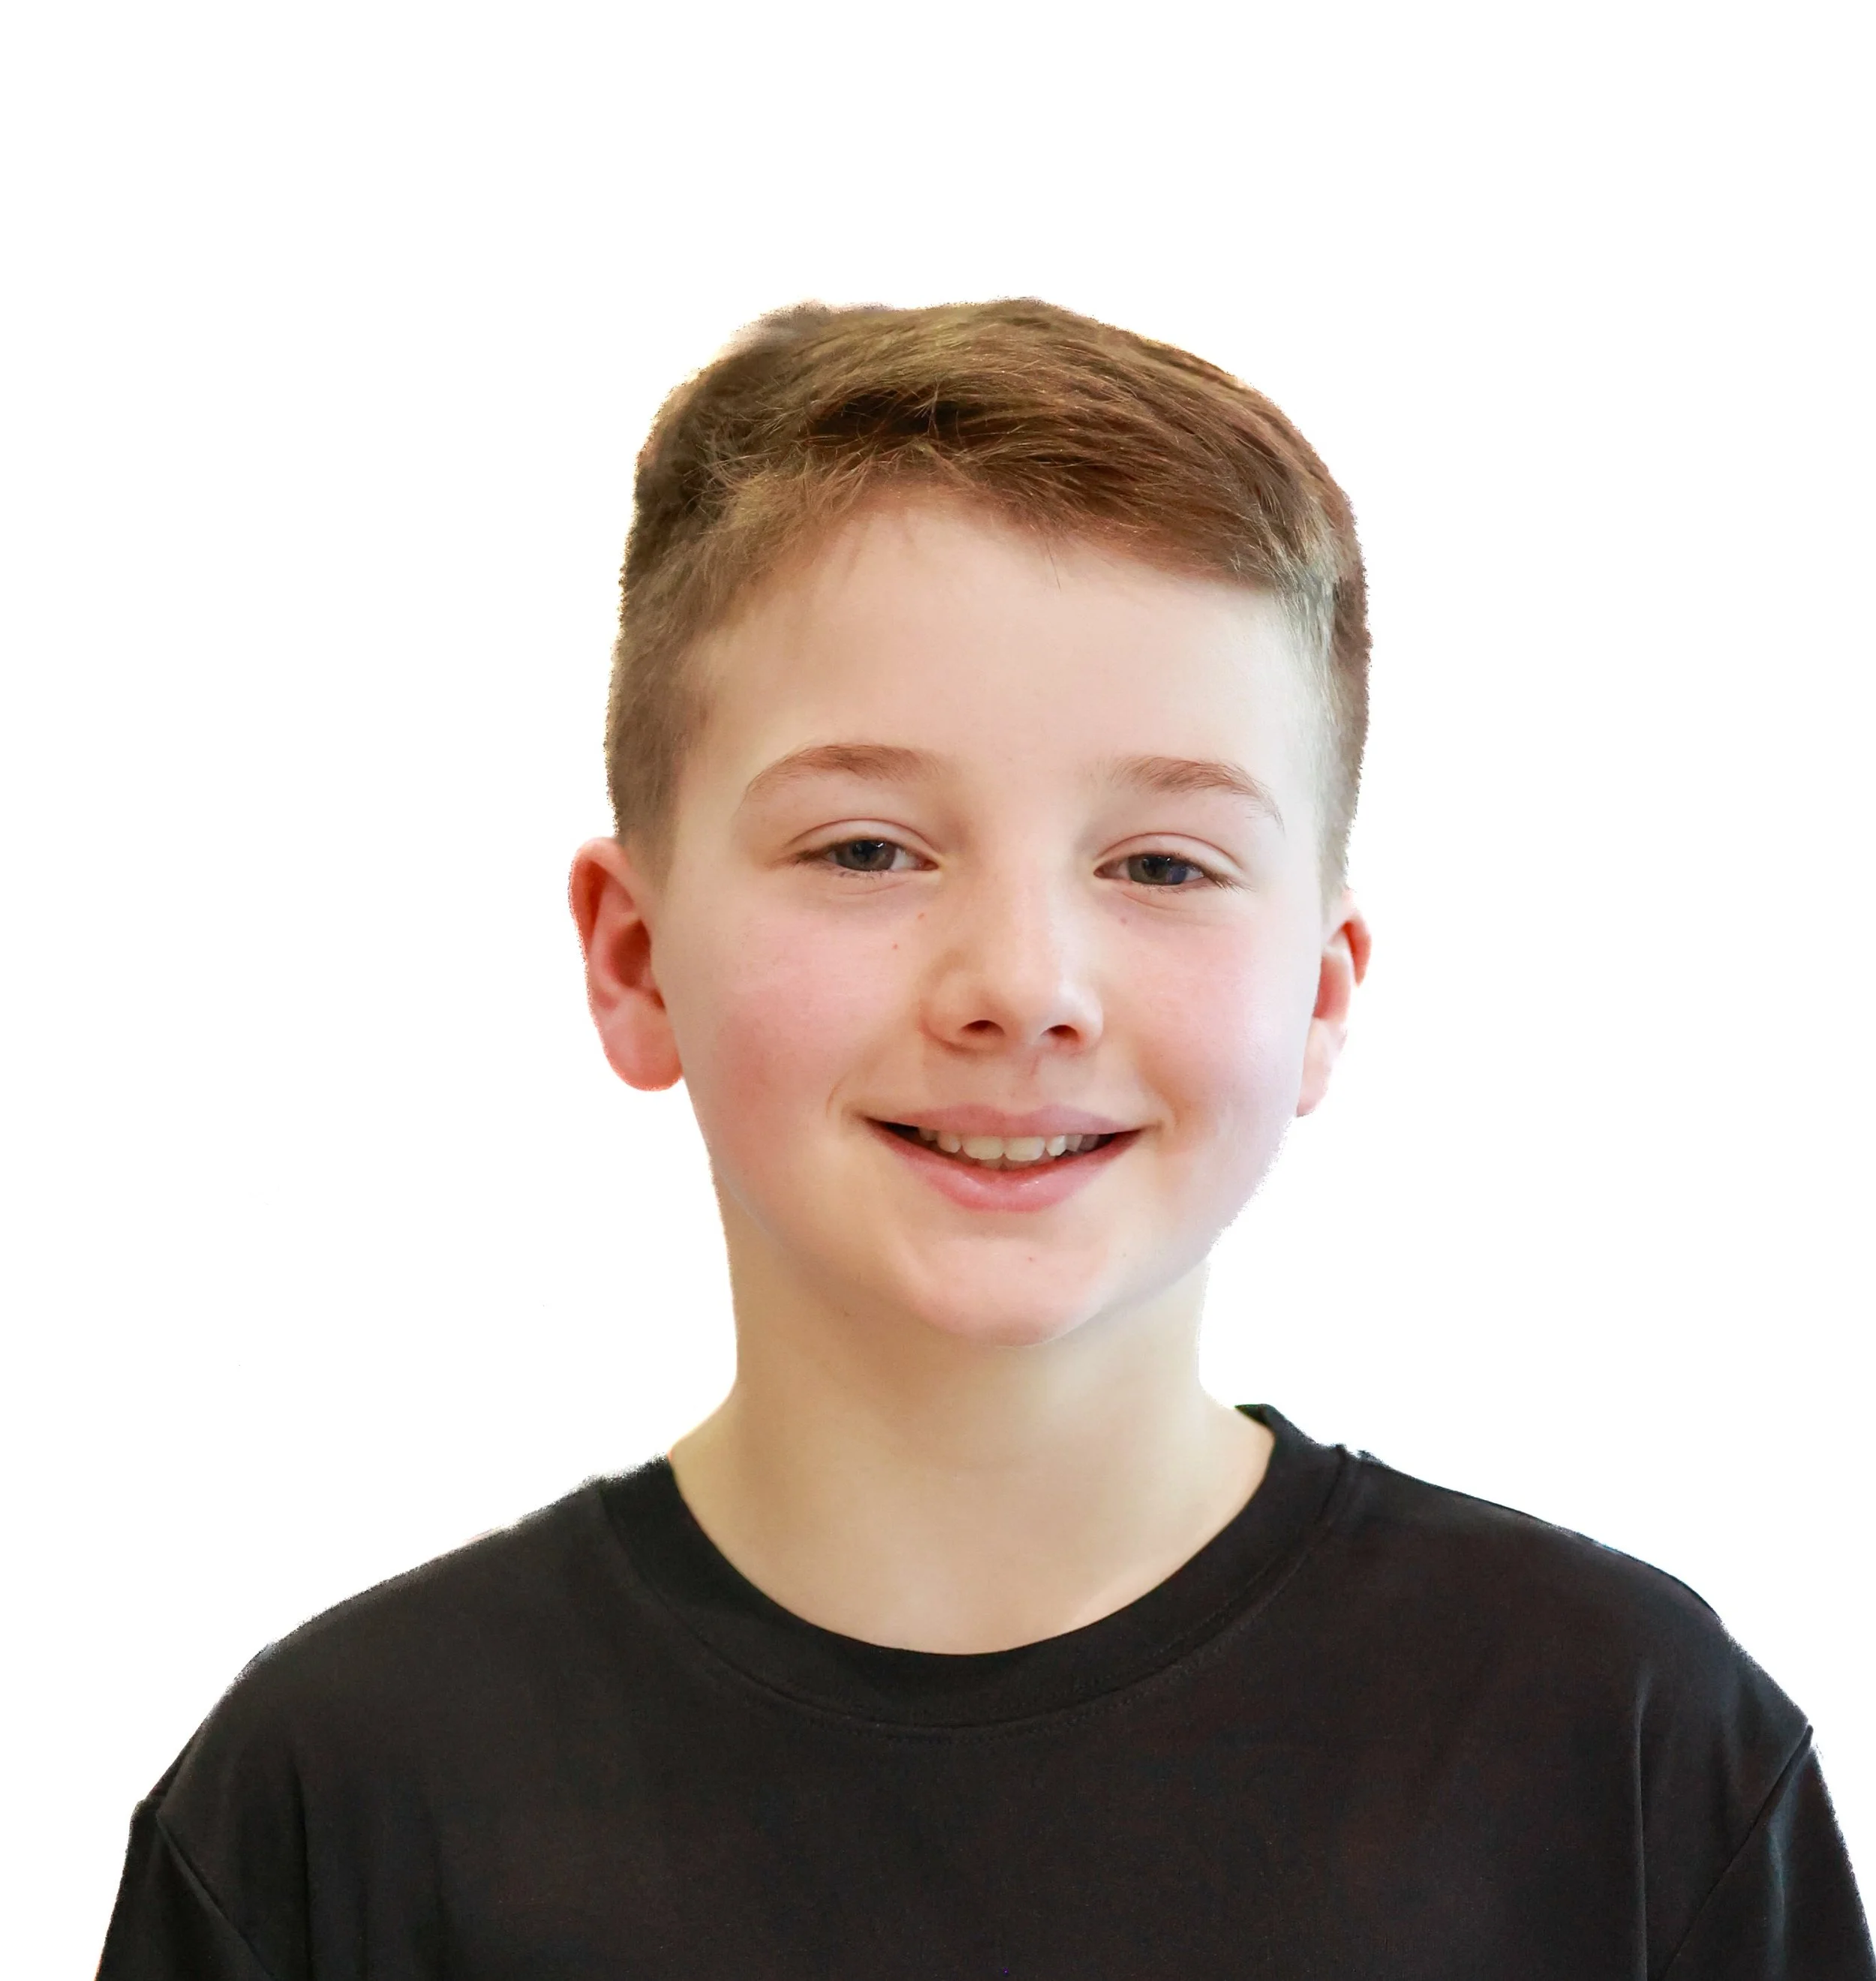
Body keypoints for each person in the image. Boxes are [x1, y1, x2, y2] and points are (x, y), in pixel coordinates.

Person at [98, 299, 1873, 1978]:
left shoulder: (1628, 1755)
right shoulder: (332, 1807)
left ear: (1322, 993)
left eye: (1161, 862)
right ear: (633, 958)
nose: (1022, 985)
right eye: (867, 848)